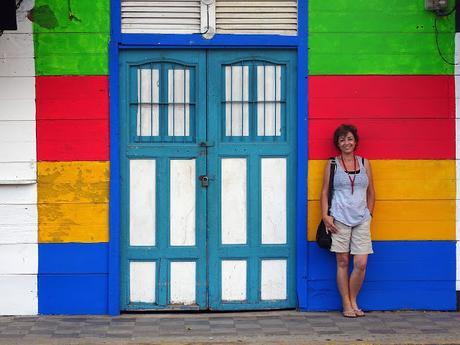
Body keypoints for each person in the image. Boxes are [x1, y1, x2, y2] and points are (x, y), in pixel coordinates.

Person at [320, 124, 375, 318]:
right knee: (342, 261)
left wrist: (370, 213)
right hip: (339, 219)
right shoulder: (332, 164)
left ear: (355, 141)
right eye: (342, 139)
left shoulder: (364, 163)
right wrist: (325, 216)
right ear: (338, 143)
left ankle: (353, 299)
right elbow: (325, 191)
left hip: (362, 219)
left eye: (350, 139)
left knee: (361, 263)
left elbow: (371, 192)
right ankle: (347, 304)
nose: (346, 143)